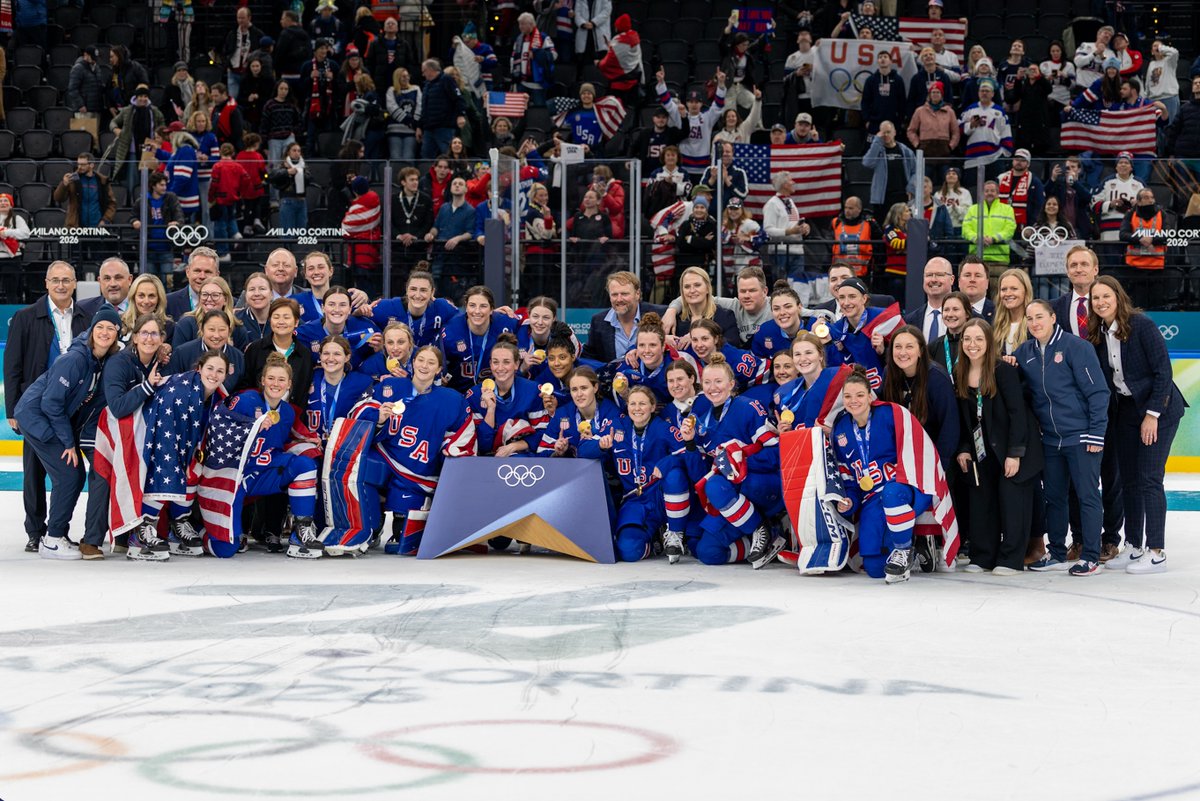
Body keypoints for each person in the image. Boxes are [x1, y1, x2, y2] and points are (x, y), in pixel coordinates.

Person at [1087, 276, 1186, 573]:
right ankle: (1133, 545)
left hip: (1161, 409)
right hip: (1127, 410)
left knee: (1149, 478)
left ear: (1118, 297)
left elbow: (1163, 373)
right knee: (1128, 479)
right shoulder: (1099, 333)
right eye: (1095, 299)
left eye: (1106, 296)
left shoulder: (1142, 325)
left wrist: (1152, 415)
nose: (1101, 302)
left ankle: (1156, 550)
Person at [14, 307, 121, 560]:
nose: (105, 332)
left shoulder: (100, 361)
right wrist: (68, 443)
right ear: (92, 331)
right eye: (100, 327)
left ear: (117, 334)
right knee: (69, 474)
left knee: (71, 475)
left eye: (111, 328)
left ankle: (55, 535)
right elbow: (51, 403)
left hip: (48, 418)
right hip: (35, 416)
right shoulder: (75, 359)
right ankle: (52, 539)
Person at [357, 346, 477, 557]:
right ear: (412, 363)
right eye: (420, 360)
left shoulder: (452, 399)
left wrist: (451, 451)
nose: (424, 366)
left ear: (439, 369)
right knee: (362, 468)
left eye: (431, 363)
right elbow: (357, 410)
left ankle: (398, 522)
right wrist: (378, 418)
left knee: (402, 544)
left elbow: (463, 433)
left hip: (419, 472)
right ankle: (371, 525)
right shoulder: (389, 385)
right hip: (385, 457)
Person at [1019, 300, 1110, 576]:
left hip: (1081, 436)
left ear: (1053, 317)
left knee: (1087, 496)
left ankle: (1091, 555)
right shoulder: (1025, 352)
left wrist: (1096, 432)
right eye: (1030, 318)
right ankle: (1057, 551)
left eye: (1040, 317)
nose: (1035, 323)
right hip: (1050, 439)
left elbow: (1098, 393)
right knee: (1054, 498)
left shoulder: (1076, 347)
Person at [4, 263, 89, 552]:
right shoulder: (26, 317)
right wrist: (12, 410)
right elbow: (12, 365)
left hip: (74, 406)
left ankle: (59, 529)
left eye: (66, 280)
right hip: (36, 407)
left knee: (69, 468)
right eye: (56, 280)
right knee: (33, 470)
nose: (61, 285)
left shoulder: (85, 317)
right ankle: (35, 530)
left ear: (75, 283)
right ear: (46, 283)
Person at [679, 353, 786, 568]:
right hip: (731, 500)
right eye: (707, 382)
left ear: (731, 384)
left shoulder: (747, 407)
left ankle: (759, 528)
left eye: (718, 381)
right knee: (707, 552)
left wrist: (741, 462)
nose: (713, 387)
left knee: (717, 485)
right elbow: (699, 474)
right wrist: (690, 443)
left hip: (760, 486)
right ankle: (765, 533)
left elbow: (778, 452)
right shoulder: (701, 415)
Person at [953, 318, 1042, 574]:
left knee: (1012, 503)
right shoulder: (959, 373)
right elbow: (963, 418)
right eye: (968, 339)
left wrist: (1015, 453)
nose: (973, 344)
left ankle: (1011, 558)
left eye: (979, 339)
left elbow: (1018, 413)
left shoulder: (1003, 370)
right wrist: (963, 448)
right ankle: (983, 556)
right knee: (982, 502)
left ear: (989, 342)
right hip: (983, 450)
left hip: (1013, 449)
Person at [224, 354, 320, 556]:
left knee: (305, 465)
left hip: (266, 471)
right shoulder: (245, 400)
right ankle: (226, 530)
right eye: (271, 378)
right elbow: (220, 429)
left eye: (281, 379)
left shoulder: (287, 412)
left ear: (289, 384)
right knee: (228, 546)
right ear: (262, 380)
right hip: (236, 475)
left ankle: (301, 532)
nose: (276, 384)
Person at [582, 384, 678, 562]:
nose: (637, 408)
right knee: (628, 551)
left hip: (660, 498)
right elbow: (583, 449)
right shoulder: (616, 425)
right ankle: (653, 541)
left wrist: (667, 462)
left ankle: (671, 531)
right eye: (632, 404)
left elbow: (687, 453)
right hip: (633, 499)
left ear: (652, 406)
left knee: (675, 475)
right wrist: (600, 445)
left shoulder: (663, 429)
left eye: (642, 404)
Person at [464, 333, 549, 460]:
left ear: (516, 364)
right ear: (490, 364)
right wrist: (491, 410)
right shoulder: (475, 395)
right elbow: (482, 446)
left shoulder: (532, 391)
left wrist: (513, 446)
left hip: (522, 459)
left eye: (506, 362)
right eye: (495, 362)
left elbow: (543, 435)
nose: (500, 368)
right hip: (486, 462)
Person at [814, 277, 892, 388]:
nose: (846, 302)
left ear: (864, 299)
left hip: (884, 392)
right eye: (842, 297)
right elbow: (831, 369)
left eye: (852, 296)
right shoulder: (835, 329)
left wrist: (883, 351)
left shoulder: (883, 318)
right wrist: (826, 343)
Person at [440, 285, 520, 391]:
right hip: (459, 393)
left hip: (495, 392)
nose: (477, 311)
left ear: (492, 309)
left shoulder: (505, 323)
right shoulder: (451, 330)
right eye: (472, 305)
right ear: (466, 307)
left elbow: (530, 323)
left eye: (483, 306)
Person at [582, 272, 666, 364]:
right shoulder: (598, 321)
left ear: (637, 294)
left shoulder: (660, 314)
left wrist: (674, 309)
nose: (619, 299)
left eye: (624, 294)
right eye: (614, 295)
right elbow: (588, 357)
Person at [774, 332, 851, 430]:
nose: (803, 359)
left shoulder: (840, 376)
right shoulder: (786, 393)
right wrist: (786, 432)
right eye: (797, 354)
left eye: (808, 353)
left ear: (820, 355)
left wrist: (833, 433)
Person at [306, 335, 373, 443]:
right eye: (326, 353)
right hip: (312, 446)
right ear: (320, 356)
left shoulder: (361, 383)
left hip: (344, 449)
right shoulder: (308, 378)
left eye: (337, 354)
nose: (331, 358)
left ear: (347, 357)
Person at [371, 268, 459, 349]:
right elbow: (362, 318)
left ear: (432, 292)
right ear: (407, 290)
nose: (417, 295)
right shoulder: (387, 307)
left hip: (426, 363)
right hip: (393, 362)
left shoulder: (442, 307)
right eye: (413, 289)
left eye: (423, 290)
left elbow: (464, 320)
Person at [242, 297, 313, 397]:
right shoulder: (255, 349)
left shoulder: (304, 354)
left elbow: (303, 390)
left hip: (291, 411)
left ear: (296, 322)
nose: (281, 321)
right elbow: (246, 385)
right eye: (276, 317)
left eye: (286, 317)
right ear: (270, 320)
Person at [296, 287, 380, 370]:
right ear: (323, 308)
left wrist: (380, 349)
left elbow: (384, 353)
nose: (337, 309)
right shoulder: (305, 333)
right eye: (331, 304)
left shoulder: (366, 328)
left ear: (350, 309)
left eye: (342, 305)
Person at [762, 171, 813, 299]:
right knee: (782, 288)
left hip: (797, 249)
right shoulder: (772, 204)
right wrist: (789, 232)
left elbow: (792, 223)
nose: (794, 182)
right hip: (781, 251)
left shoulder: (789, 201)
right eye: (791, 180)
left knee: (797, 287)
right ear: (784, 184)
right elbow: (767, 230)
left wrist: (804, 228)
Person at [684, 318, 767, 393]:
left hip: (765, 382)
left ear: (716, 339)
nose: (699, 345)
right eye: (695, 340)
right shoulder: (691, 352)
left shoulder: (733, 359)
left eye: (705, 339)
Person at [961, 181, 1016, 290]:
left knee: (999, 296)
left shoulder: (1007, 209)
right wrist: (977, 238)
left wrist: (994, 239)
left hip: (999, 260)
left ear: (998, 193)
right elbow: (965, 229)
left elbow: (1010, 229)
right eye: (986, 191)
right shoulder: (973, 209)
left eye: (992, 191)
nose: (989, 193)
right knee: (976, 294)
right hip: (976, 259)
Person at [173, 276, 248, 350]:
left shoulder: (238, 329)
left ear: (225, 299)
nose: (209, 299)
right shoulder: (185, 324)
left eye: (215, 295)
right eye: (205, 294)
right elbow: (179, 357)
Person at [863, 121, 917, 223]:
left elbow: (916, 171)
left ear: (894, 132)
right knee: (882, 226)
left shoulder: (905, 151)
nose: (886, 135)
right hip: (882, 197)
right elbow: (867, 163)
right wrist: (876, 141)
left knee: (902, 225)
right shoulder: (877, 149)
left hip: (902, 195)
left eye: (888, 132)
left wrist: (910, 188)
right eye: (883, 133)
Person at [53, 153, 116, 230]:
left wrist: (105, 220)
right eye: (78, 164)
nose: (79, 167)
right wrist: (64, 184)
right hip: (76, 227)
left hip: (97, 227)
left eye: (83, 164)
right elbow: (58, 198)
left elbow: (112, 203)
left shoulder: (102, 181)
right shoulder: (72, 180)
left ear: (91, 165)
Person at [751, 281, 805, 359]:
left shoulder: (818, 328)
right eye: (776, 309)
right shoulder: (764, 331)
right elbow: (757, 365)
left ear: (799, 307)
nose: (782, 312)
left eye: (788, 307)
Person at [120, 274, 175, 347]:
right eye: (141, 296)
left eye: (151, 296)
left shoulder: (169, 327)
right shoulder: (120, 322)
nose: (146, 301)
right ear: (133, 297)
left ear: (159, 299)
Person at [928, 291, 972, 381]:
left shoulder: (976, 345)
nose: (950, 314)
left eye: (955, 309)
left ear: (967, 313)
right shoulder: (933, 347)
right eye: (946, 310)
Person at [992, 268, 1033, 357]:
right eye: (1004, 289)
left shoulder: (1034, 325)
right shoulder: (995, 325)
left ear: (1025, 291)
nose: (1008, 293)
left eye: (1014, 289)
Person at [236, 272, 273, 342]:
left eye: (262, 289)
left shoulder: (284, 319)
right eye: (252, 289)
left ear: (271, 294)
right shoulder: (235, 320)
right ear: (245, 294)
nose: (257, 293)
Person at [957, 256, 994, 322]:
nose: (972, 280)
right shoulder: (948, 312)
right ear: (959, 282)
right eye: (967, 275)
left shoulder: (998, 313)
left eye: (978, 276)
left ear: (987, 283)